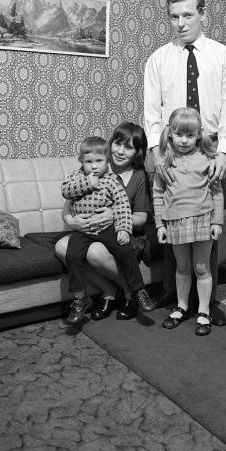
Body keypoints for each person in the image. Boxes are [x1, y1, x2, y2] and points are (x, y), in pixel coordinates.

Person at [144, 0, 226, 326]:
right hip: (171, 148)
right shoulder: (158, 59)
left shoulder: (224, 57)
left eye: (187, 15)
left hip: (209, 146)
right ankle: (176, 296)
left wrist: (224, 153)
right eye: (174, 16)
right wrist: (157, 153)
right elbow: (152, 112)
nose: (180, 23)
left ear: (202, 15)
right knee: (173, 218)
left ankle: (207, 303)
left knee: (205, 225)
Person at [55, 122, 153, 322]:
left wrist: (113, 216)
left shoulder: (136, 176)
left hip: (122, 230)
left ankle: (130, 292)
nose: (121, 151)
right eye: (118, 144)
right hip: (87, 229)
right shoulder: (93, 164)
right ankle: (106, 291)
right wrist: (72, 222)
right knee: (62, 248)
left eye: (129, 147)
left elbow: (140, 217)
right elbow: (68, 202)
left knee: (95, 252)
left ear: (137, 152)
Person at [153, 107, 223, 336]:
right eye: (179, 134)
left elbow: (217, 191)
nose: (184, 140)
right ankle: (182, 306)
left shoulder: (207, 158)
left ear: (199, 135)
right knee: (182, 267)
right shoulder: (164, 160)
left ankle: (203, 311)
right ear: (170, 133)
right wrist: (160, 225)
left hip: (203, 218)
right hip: (174, 221)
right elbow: (157, 194)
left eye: (190, 135)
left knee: (201, 268)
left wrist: (217, 222)